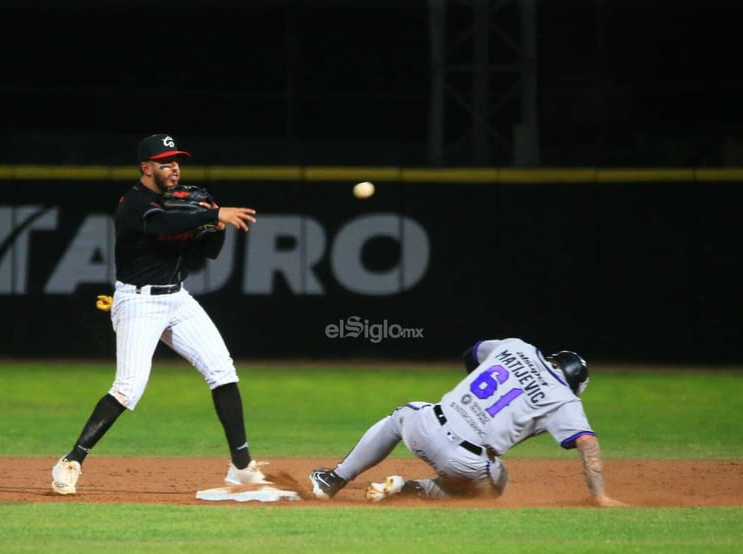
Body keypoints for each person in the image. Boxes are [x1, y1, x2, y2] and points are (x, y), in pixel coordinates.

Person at [51, 133, 265, 495]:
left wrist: (215, 226)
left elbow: (208, 250)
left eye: (177, 160)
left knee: (222, 371)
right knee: (128, 388)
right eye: (165, 162)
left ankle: (242, 468)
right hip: (138, 302)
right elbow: (160, 227)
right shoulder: (134, 203)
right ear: (146, 168)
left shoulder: (181, 203)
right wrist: (212, 213)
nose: (174, 167)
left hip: (177, 300)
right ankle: (71, 461)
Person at [309, 337, 628, 507]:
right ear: (574, 384)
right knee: (495, 486)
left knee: (402, 414)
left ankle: (333, 479)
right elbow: (586, 442)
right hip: (464, 462)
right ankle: (410, 489)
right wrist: (599, 496)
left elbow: (472, 353)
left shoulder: (518, 347)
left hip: (425, 425)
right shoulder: (563, 398)